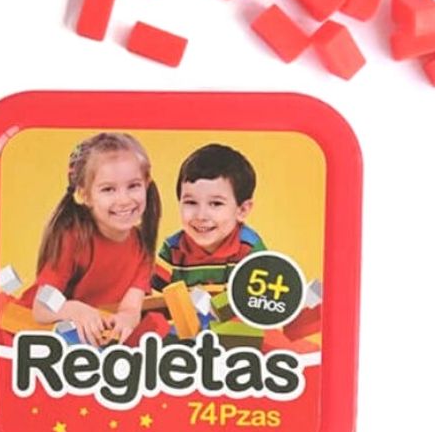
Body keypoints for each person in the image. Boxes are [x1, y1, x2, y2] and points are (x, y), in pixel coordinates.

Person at [22, 132, 164, 345]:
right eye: (108, 189)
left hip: (93, 338)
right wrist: (76, 310)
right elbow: (41, 307)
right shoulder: (73, 238)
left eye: (133, 186)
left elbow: (131, 308)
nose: (124, 200)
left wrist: (125, 320)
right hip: (34, 331)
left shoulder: (142, 246)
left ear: (147, 184)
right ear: (85, 195)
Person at [151, 143, 265, 291]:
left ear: (242, 210)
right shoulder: (172, 250)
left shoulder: (250, 249)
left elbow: (259, 299)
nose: (201, 216)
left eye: (216, 203)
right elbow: (153, 297)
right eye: (191, 202)